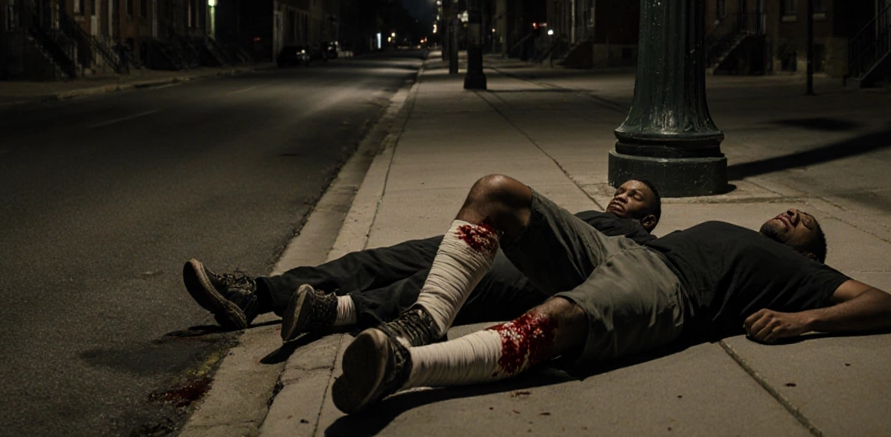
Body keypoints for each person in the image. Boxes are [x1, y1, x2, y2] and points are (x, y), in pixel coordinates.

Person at [331, 174, 891, 414]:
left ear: (810, 255)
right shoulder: (741, 234)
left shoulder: (802, 273)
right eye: (794, 209)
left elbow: (885, 304)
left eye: (804, 221)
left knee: (558, 315)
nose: (793, 213)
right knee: (496, 192)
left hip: (669, 291)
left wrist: (803, 321)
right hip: (621, 250)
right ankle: (426, 320)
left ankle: (406, 368)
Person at [182, 179, 663, 342]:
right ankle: (258, 294)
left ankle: (333, 312)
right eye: (621, 190)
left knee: (429, 284)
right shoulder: (585, 219)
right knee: (384, 259)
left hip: (534, 274)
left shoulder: (636, 242)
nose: (622, 196)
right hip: (506, 241)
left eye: (635, 195)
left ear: (649, 218)